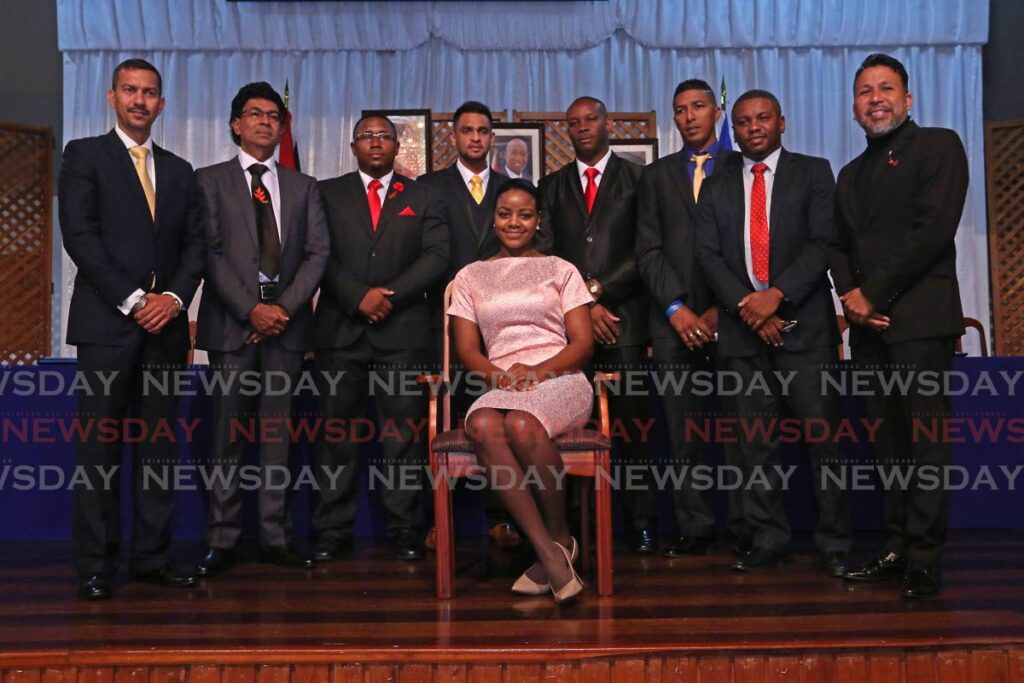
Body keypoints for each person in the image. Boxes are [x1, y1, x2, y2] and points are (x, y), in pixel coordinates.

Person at [58, 58, 205, 600]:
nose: (140, 100)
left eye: (150, 93)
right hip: (106, 327)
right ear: (112, 97)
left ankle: (151, 559)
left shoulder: (180, 169)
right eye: (130, 91)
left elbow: (195, 246)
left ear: (161, 103)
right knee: (98, 452)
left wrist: (172, 298)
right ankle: (95, 566)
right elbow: (80, 236)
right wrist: (136, 298)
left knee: (158, 451)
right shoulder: (84, 156)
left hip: (165, 330)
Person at [827, 54, 968, 598]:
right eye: (865, 91)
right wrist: (852, 297)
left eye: (886, 88)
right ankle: (896, 545)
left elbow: (931, 232)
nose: (875, 98)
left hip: (919, 321)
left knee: (926, 443)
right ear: (855, 106)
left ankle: (926, 558)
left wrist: (871, 294)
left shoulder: (938, 145)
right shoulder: (851, 173)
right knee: (887, 444)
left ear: (908, 100)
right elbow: (837, 245)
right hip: (869, 329)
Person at [695, 89, 851, 575]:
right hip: (743, 335)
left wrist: (776, 296)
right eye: (743, 122)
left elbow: (822, 243)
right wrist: (752, 309)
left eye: (763, 118)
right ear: (734, 130)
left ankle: (836, 543)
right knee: (754, 444)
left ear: (782, 122)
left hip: (804, 328)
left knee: (824, 441)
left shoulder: (814, 171)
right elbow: (708, 255)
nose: (754, 127)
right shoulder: (716, 182)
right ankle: (769, 538)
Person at [194, 81, 329, 576]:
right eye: (255, 114)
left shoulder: (303, 186)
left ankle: (275, 537)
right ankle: (222, 540)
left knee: (278, 438)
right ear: (236, 124)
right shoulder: (208, 181)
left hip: (286, 330)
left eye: (274, 115)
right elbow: (209, 253)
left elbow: (318, 254)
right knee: (226, 438)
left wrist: (282, 310)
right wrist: (250, 309)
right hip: (233, 327)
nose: (266, 122)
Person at [448, 179, 593, 605]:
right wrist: (499, 377)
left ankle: (559, 536)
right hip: (502, 379)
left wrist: (538, 370)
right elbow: (467, 350)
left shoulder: (560, 269)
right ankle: (551, 550)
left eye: (524, 214)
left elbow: (582, 344)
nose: (514, 222)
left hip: (558, 376)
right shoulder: (470, 276)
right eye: (505, 214)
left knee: (524, 425)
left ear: (537, 221)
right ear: (493, 221)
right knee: (482, 421)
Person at [313, 114, 449, 562]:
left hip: (402, 334)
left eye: (384, 136)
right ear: (353, 146)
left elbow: (436, 256)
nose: (375, 143)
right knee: (336, 436)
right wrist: (357, 297)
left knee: (403, 438)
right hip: (340, 333)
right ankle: (332, 529)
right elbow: (317, 254)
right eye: (366, 137)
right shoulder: (326, 193)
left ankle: (406, 527)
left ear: (396, 146)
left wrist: (385, 296)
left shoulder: (423, 195)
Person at [535, 96, 654, 554]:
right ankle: (572, 530)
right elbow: (545, 256)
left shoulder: (639, 179)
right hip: (569, 333)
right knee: (566, 435)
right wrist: (583, 305)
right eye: (574, 123)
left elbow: (646, 250)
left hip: (623, 323)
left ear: (608, 124)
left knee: (632, 430)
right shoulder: (552, 185)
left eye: (590, 120)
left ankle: (641, 522)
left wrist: (599, 292)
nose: (582, 128)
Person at [635, 79, 746, 557]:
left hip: (736, 318)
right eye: (680, 110)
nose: (690, 116)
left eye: (699, 106)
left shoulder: (743, 167)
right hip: (673, 321)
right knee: (684, 434)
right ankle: (695, 526)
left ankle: (747, 526)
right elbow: (648, 249)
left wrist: (724, 309)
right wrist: (676, 309)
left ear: (715, 113)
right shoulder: (656, 176)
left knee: (742, 430)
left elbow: (748, 247)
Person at [418, 101, 519, 548]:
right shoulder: (429, 187)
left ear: (492, 138)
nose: (475, 138)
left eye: (483, 131)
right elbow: (423, 253)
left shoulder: (513, 189)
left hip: (503, 328)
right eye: (467, 131)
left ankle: (506, 520)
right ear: (453, 138)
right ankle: (442, 520)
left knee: (498, 422)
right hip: (446, 325)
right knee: (445, 422)